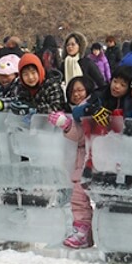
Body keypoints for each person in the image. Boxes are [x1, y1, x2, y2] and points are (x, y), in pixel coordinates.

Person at [48, 75, 97, 249]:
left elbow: (86, 135)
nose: (76, 95)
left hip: (97, 158)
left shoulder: (93, 108)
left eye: (80, 90)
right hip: (80, 161)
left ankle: (103, 231)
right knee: (78, 197)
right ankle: (82, 231)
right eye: (72, 91)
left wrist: (68, 125)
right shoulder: (73, 110)